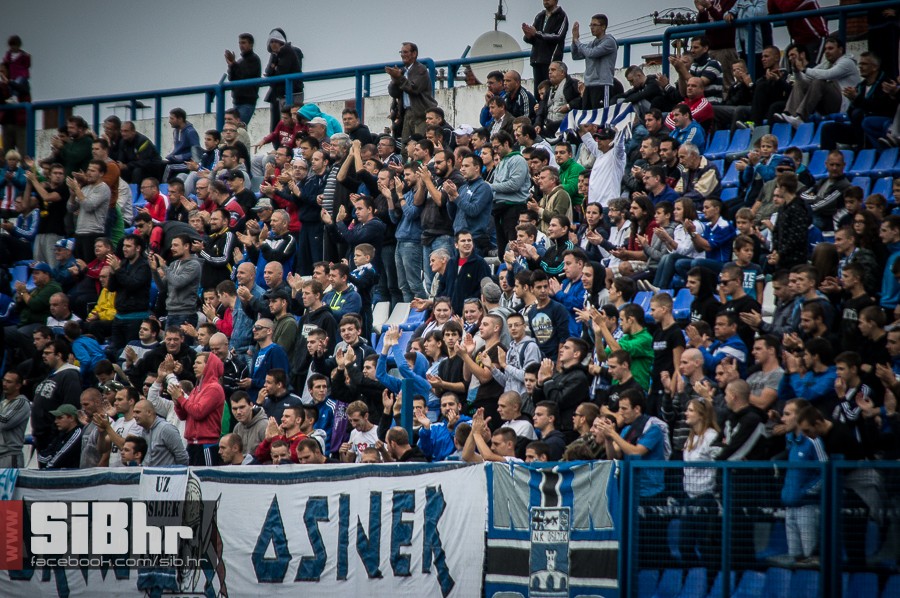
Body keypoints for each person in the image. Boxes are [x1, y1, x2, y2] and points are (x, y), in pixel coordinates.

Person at [680, 398, 721, 569]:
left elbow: (719, 466)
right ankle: (695, 579)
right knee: (684, 545)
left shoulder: (712, 436)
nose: (686, 413)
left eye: (690, 410)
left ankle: (710, 582)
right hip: (690, 498)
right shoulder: (690, 438)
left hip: (707, 498)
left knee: (706, 545)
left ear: (701, 415)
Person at [31, 339, 82, 452]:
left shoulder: (70, 375)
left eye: (48, 353)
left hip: (55, 438)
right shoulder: (52, 375)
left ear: (59, 355)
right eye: (44, 353)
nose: (44, 356)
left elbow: (70, 406)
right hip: (43, 438)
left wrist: (57, 434)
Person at [387, 42, 438, 139]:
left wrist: (399, 78)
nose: (402, 55)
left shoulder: (420, 69)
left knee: (420, 142)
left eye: (405, 52)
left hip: (421, 114)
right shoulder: (403, 71)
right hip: (407, 113)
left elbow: (414, 89)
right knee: (405, 147)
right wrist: (394, 79)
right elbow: (394, 93)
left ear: (414, 54)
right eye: (401, 52)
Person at [150, 234, 202, 328]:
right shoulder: (174, 264)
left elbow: (178, 283)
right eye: (172, 245)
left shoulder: (194, 265)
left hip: (186, 315)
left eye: (176, 245)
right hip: (170, 313)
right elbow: (162, 288)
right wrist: (154, 270)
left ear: (186, 246)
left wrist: (164, 267)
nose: (172, 248)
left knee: (182, 343)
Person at [571, 14, 618, 108]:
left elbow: (591, 53)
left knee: (600, 117)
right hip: (589, 85)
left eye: (595, 25)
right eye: (591, 25)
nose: (592, 28)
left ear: (603, 27)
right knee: (587, 117)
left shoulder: (609, 41)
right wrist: (574, 40)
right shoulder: (592, 43)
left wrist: (577, 41)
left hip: (602, 85)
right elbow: (576, 55)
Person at [523, 0, 569, 95]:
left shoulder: (561, 16)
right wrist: (529, 35)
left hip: (551, 61)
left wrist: (537, 33)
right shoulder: (540, 16)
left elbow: (558, 36)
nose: (546, 1)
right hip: (537, 60)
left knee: (549, 92)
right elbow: (534, 37)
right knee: (538, 93)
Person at [263, 28, 303, 133]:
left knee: (291, 122)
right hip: (278, 94)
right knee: (280, 125)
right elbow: (268, 72)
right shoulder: (275, 54)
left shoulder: (289, 51)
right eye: (272, 41)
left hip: (291, 92)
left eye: (276, 41)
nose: (274, 44)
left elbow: (281, 72)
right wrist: (273, 68)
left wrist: (274, 68)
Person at [132, 399, 189, 466]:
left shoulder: (166, 429)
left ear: (149, 412)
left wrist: (174, 474)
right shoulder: (143, 431)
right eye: (134, 412)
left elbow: (182, 457)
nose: (134, 415)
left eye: (137, 412)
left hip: (167, 475)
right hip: (149, 475)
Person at [225, 33, 262, 124]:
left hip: (247, 101)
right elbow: (232, 78)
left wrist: (234, 64)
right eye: (240, 43)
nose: (241, 46)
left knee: (238, 128)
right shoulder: (240, 61)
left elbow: (245, 75)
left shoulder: (254, 59)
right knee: (233, 129)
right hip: (237, 101)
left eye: (244, 43)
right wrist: (231, 65)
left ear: (251, 44)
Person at [37, 404, 82, 470]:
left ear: (71, 418)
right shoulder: (61, 434)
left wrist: (47, 469)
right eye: (56, 418)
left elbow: (60, 457)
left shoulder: (77, 433)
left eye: (60, 418)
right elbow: (41, 456)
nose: (56, 421)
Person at [0, 371, 29, 468]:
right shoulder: (3, 403)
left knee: (10, 483)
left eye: (9, 382)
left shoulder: (21, 403)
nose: (4, 384)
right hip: (1, 454)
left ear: (18, 386)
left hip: (10, 456)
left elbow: (5, 422)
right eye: (4, 380)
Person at [231, 391, 267, 455]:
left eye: (242, 407)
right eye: (234, 409)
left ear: (251, 405)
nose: (238, 412)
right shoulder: (237, 428)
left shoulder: (264, 426)